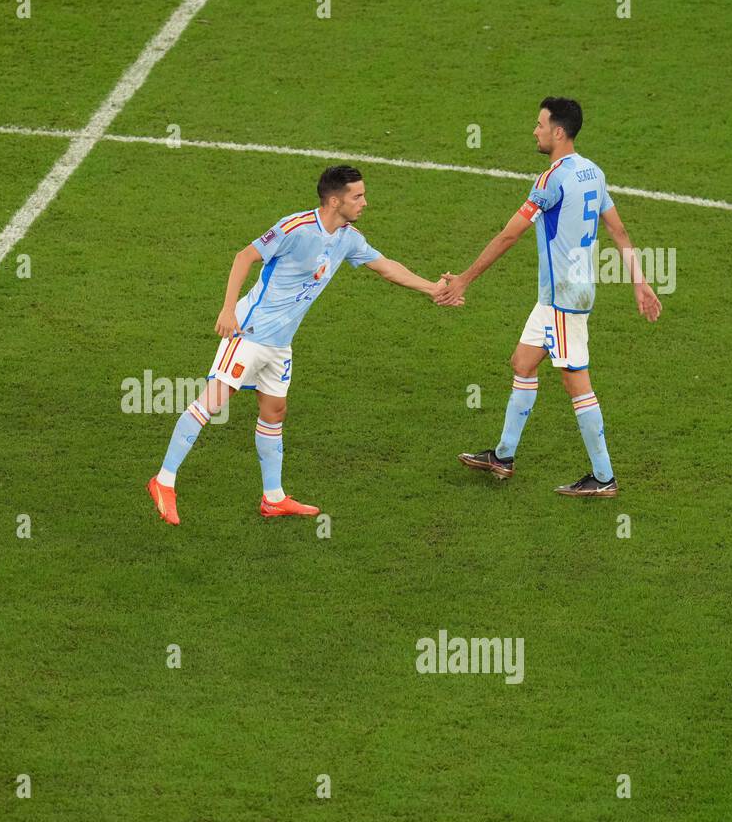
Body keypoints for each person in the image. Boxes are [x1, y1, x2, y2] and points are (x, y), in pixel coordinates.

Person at [148, 165, 456, 525]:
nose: (365, 203)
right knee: (212, 403)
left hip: (280, 345)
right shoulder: (295, 228)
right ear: (335, 200)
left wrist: (433, 288)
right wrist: (228, 309)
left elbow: (386, 267)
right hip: (249, 331)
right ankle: (163, 481)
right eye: (358, 196)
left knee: (274, 412)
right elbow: (243, 257)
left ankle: (273, 498)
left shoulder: (348, 238)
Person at [442, 98, 662, 496]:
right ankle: (503, 456)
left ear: (558, 131)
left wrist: (465, 279)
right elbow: (620, 230)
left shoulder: (551, 180)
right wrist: (640, 281)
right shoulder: (593, 172)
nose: (535, 131)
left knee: (575, 380)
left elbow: (510, 234)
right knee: (523, 362)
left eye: (540, 124)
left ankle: (603, 477)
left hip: (563, 296)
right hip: (562, 293)